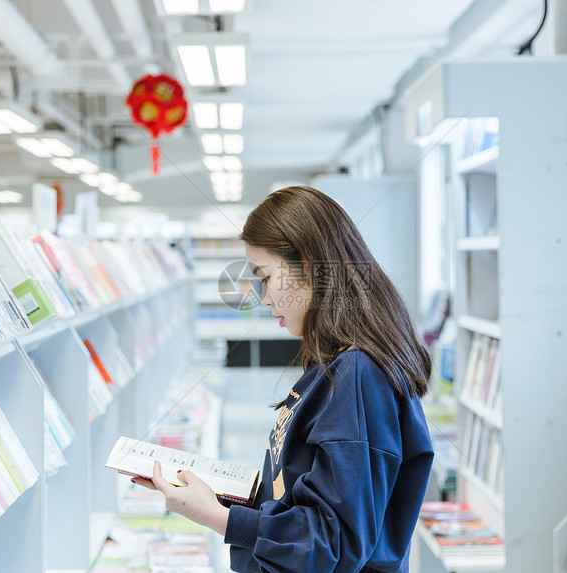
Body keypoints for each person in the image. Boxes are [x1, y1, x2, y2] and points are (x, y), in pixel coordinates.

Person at [132, 186, 434, 572]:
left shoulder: (358, 376)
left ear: (309, 266)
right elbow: (306, 490)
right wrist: (222, 496)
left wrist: (218, 518)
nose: (265, 296)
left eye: (266, 276)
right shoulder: (337, 362)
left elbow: (330, 543)